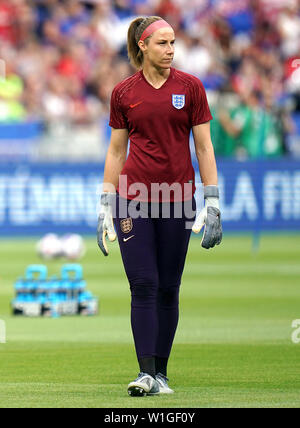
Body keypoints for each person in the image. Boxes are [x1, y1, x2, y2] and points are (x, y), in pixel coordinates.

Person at [97, 16, 222, 397]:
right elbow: (117, 150)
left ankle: (162, 374)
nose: (171, 50)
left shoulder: (191, 87)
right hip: (131, 199)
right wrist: (105, 204)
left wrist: (212, 200)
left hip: (177, 199)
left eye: (173, 43)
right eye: (163, 43)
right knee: (144, 285)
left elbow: (203, 147)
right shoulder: (123, 92)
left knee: (169, 287)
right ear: (143, 46)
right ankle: (146, 373)